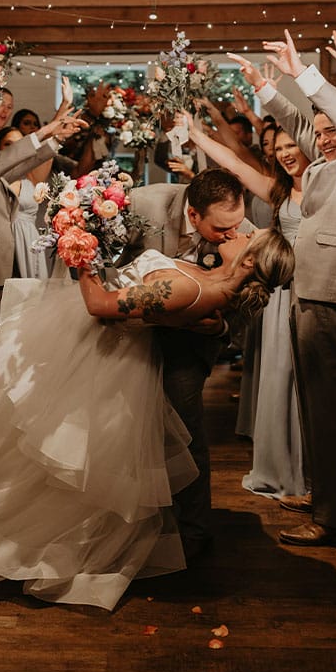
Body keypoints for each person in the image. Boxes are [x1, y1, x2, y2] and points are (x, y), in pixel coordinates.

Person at [0, 227, 294, 610]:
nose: (241, 231)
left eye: (251, 236)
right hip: (105, 353)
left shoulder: (192, 289)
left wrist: (79, 252)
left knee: (47, 442)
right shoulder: (208, 289)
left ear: (251, 261)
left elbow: (99, 305)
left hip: (104, 359)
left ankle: (25, 535)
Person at [230, 29, 336, 546]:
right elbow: (295, 122)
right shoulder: (330, 162)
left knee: (326, 409)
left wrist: (309, 75)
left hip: (329, 296)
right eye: (320, 132)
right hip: (302, 291)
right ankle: (325, 489)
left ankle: (334, 516)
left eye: (332, 130)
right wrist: (268, 85)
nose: (322, 138)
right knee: (313, 403)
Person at [181, 109, 336, 509]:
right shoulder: (279, 192)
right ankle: (295, 475)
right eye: (278, 148)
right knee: (290, 386)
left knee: (331, 394)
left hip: (331, 293)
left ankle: (335, 490)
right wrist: (197, 134)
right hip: (287, 295)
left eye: (290, 146)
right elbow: (234, 162)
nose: (284, 154)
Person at [120, 167, 254, 560]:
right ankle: (134, 520)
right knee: (123, 424)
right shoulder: (143, 204)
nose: (233, 235)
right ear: (193, 215)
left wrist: (222, 327)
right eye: (221, 230)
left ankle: (193, 531)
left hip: (194, 339)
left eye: (236, 227)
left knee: (184, 428)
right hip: (128, 329)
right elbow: (107, 261)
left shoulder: (238, 224)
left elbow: (249, 295)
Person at [0, 109, 86, 342]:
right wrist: (44, 130)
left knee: (9, 346)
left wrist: (57, 139)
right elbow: (1, 162)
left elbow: (24, 164)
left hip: (5, 270)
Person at [0, 127, 49, 280]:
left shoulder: (31, 177)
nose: (15, 149)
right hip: (3, 246)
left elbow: (49, 147)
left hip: (29, 244)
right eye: (8, 144)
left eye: (19, 144)